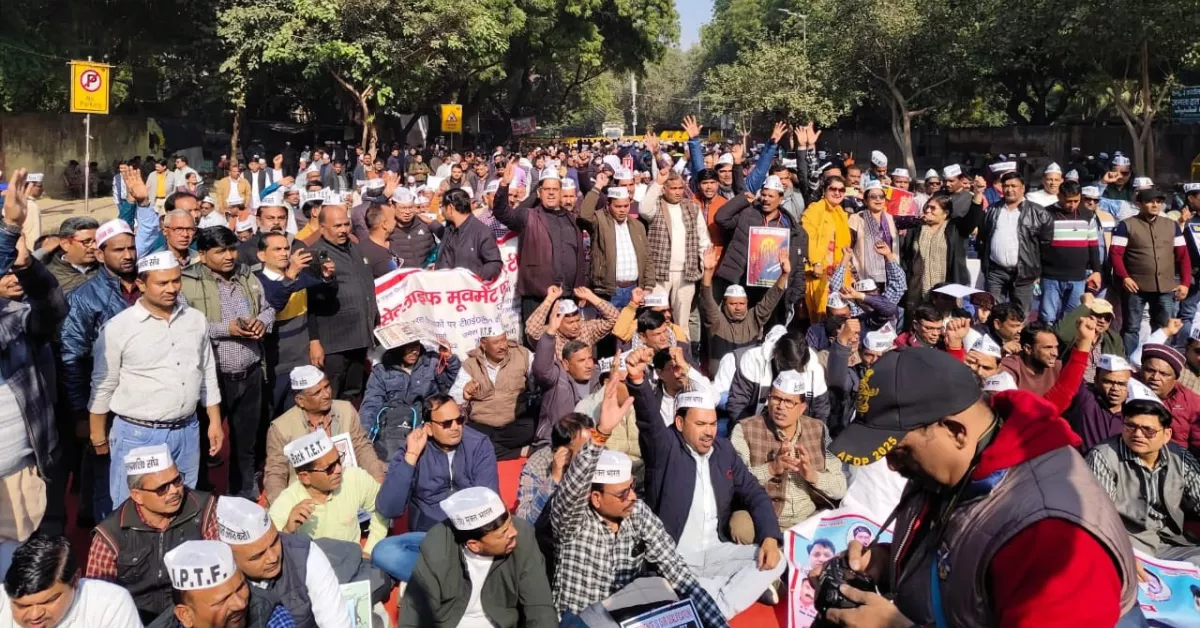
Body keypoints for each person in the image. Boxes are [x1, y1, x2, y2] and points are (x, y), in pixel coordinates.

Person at [815, 347, 1140, 627]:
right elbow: (960, 551)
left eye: (900, 450)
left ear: (956, 431)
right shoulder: (959, 464)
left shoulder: (1052, 536)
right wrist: (888, 564)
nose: (892, 466)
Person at [548, 379, 729, 626]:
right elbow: (573, 486)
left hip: (623, 616)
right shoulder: (573, 519)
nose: (632, 497)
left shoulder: (637, 512)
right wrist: (600, 434)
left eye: (631, 488)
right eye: (622, 493)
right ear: (596, 498)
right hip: (579, 620)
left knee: (666, 587)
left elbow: (676, 569)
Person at [626, 350, 786, 617]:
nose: (709, 431)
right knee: (671, 588)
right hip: (675, 562)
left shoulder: (724, 451)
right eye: (700, 424)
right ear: (679, 422)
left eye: (713, 423)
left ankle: (715, 606)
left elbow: (755, 494)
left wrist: (770, 537)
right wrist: (638, 381)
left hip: (716, 555)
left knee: (777, 560)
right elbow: (649, 421)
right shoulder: (664, 447)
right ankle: (721, 595)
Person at [88, 251, 223, 507]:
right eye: (162, 283)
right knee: (133, 510)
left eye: (176, 281)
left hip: (188, 431)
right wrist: (98, 437)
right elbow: (102, 386)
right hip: (138, 436)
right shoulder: (119, 327)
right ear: (140, 284)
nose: (171, 289)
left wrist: (214, 421)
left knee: (183, 506)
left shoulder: (195, 320)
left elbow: (206, 372)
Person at [182, 226, 275, 497]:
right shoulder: (187, 283)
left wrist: (262, 323)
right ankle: (198, 496)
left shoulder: (247, 276)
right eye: (220, 251)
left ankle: (243, 492)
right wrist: (227, 329)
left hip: (250, 372)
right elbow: (185, 327)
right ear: (202, 254)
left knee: (246, 441)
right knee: (201, 444)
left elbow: (267, 308)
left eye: (232, 249)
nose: (229, 256)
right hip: (211, 380)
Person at [373, 395, 498, 583]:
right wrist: (412, 456)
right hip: (429, 536)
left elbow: (488, 501)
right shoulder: (413, 447)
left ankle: (437, 581)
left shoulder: (479, 444)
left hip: (471, 535)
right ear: (429, 428)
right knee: (383, 552)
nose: (456, 427)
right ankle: (456, 581)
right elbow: (389, 508)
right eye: (447, 423)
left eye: (460, 420)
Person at [87, 445, 218, 624]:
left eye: (177, 480)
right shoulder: (110, 535)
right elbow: (100, 599)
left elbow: (219, 571)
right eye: (162, 488)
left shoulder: (204, 508)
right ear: (137, 496)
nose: (174, 491)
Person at [401, 487, 557, 628]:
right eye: (503, 533)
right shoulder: (439, 544)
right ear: (474, 544)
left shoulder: (524, 536)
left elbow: (540, 607)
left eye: (510, 522)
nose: (513, 532)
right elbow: (415, 615)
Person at [730, 371, 846, 535]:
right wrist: (771, 468)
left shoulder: (819, 430)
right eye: (776, 398)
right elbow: (735, 483)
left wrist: (812, 475)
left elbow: (840, 487)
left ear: (802, 408)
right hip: (762, 514)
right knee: (740, 527)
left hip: (808, 515)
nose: (780, 406)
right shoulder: (745, 429)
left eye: (789, 402)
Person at [1087, 399, 1200, 566]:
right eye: (1130, 426)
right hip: (1125, 544)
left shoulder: (1180, 457)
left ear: (1166, 435)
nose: (1138, 434)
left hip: (1170, 543)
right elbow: (1099, 517)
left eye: (1148, 430)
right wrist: (1120, 553)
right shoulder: (1102, 456)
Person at [216, 496, 352, 628]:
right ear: (232, 559)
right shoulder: (218, 587)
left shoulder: (304, 555)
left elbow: (336, 622)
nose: (273, 558)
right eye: (258, 555)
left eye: (275, 541)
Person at [264, 366, 386, 504]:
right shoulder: (281, 428)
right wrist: (283, 508)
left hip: (346, 488)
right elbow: (276, 472)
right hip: (306, 498)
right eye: (317, 393)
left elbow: (362, 447)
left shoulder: (346, 410)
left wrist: (378, 478)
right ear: (300, 401)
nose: (326, 394)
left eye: (327, 387)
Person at [492, 163, 587, 323]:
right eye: (546, 190)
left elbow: (579, 257)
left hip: (567, 296)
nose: (551, 193)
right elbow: (502, 213)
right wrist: (503, 186)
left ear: (561, 192)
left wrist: (580, 288)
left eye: (555, 189)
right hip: (537, 297)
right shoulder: (528, 216)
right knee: (536, 343)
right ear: (538, 193)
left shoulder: (572, 219)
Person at [300, 205, 377, 399]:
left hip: (359, 337)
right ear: (323, 228)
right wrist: (314, 340)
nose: (343, 230)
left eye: (346, 224)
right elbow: (309, 303)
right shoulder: (315, 255)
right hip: (334, 342)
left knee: (353, 392)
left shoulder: (354, 248)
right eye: (337, 226)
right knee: (330, 394)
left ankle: (348, 428)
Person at [268, 430, 387, 555]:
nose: (339, 470)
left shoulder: (353, 478)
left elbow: (383, 508)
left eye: (339, 460)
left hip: (353, 565)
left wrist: (369, 551)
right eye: (329, 468)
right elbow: (269, 550)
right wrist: (287, 532)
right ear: (305, 477)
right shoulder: (287, 503)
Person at [255, 233, 331, 415]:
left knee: (301, 413)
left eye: (286, 248)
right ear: (262, 255)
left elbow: (315, 304)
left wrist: (327, 277)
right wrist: (289, 276)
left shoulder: (300, 276)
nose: (283, 253)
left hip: (301, 359)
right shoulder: (256, 281)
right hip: (275, 363)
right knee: (274, 415)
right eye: (277, 249)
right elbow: (273, 305)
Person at [1112, 187, 1192, 354]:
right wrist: (1124, 277)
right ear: (1139, 204)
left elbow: (1183, 255)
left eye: (1158, 202)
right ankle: (1130, 363)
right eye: (1150, 201)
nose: (1155, 205)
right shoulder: (1126, 225)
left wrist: (1185, 283)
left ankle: (1159, 359)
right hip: (1135, 287)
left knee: (1164, 327)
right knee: (1131, 327)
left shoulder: (1171, 225)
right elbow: (1115, 254)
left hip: (1165, 287)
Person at [1, 534, 141, 628]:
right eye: (22, 606)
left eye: (48, 601)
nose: (35, 615)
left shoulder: (110, 605)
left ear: (75, 581)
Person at [150, 540, 296, 628]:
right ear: (186, 615)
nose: (240, 604)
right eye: (222, 600)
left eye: (241, 588)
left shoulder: (269, 614)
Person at [636, 168, 711, 331]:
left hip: (686, 273)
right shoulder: (656, 205)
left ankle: (683, 354)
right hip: (659, 274)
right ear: (665, 189)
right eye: (673, 188)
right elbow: (643, 209)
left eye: (680, 188)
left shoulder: (692, 207)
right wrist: (658, 183)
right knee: (656, 320)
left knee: (682, 323)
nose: (678, 192)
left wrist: (706, 266)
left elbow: (703, 239)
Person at [449, 323, 537, 460]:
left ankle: (488, 450)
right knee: (467, 436)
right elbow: (454, 398)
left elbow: (541, 374)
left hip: (514, 424)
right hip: (483, 426)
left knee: (532, 427)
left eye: (504, 340)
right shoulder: (470, 364)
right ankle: (518, 452)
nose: (503, 346)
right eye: (496, 342)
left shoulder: (522, 354)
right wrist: (464, 395)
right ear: (483, 345)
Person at [699, 246, 788, 375]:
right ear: (724, 304)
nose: (738, 307)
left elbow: (770, 300)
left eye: (741, 303)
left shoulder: (753, 319)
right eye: (733, 304)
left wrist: (784, 275)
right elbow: (706, 298)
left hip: (746, 381)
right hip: (720, 382)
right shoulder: (716, 322)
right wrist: (707, 272)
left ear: (747, 303)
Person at [977, 171, 1053, 313]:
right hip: (996, 272)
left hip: (1024, 274)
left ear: (1023, 188)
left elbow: (1046, 245)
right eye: (1006, 186)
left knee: (1020, 315)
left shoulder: (1039, 213)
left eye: (1014, 186)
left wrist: (1037, 271)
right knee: (992, 312)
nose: (1009, 189)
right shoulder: (992, 210)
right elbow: (982, 238)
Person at [899, 187, 986, 309]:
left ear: (945, 213)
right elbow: (906, 256)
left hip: (947, 289)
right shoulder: (916, 228)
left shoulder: (955, 228)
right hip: (917, 290)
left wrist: (978, 194)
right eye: (926, 207)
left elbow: (972, 218)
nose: (928, 210)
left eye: (933, 208)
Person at [577, 176, 650, 309]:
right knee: (608, 328)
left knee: (630, 328)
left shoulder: (637, 226)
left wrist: (648, 286)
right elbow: (584, 214)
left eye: (626, 206)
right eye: (618, 206)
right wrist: (598, 186)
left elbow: (647, 256)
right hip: (609, 290)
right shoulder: (599, 220)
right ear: (608, 205)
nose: (622, 210)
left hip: (634, 289)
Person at [1038, 180, 1103, 322]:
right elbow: (1038, 245)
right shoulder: (1046, 213)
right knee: (1047, 316)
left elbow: (1093, 245)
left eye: (1076, 201)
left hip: (1078, 276)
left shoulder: (1087, 215)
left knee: (1072, 317)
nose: (1072, 205)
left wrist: (1096, 271)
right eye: (1068, 201)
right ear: (1059, 196)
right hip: (1051, 276)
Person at [532, 310, 598, 444]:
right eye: (581, 360)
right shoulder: (556, 377)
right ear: (566, 364)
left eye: (590, 359)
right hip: (554, 443)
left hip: (588, 442)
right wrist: (550, 334)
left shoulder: (597, 377)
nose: (589, 365)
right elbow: (541, 369)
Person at [515, 412, 593, 525]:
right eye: (584, 450)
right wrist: (554, 478)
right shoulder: (538, 465)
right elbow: (525, 521)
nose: (591, 453)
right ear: (563, 452)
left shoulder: (600, 456)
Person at [1138, 344, 1200, 457]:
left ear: (1175, 378)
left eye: (1163, 374)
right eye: (1150, 370)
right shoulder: (1125, 388)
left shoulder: (1192, 402)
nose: (1155, 377)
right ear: (1141, 370)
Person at [526, 286, 619, 358]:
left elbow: (614, 317)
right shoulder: (551, 335)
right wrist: (549, 299)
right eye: (570, 322)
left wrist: (590, 296)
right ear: (558, 322)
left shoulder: (585, 329)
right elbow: (531, 330)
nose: (576, 326)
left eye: (577, 320)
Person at [434, 188, 503, 280]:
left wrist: (471, 279)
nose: (441, 210)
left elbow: (495, 264)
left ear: (450, 208)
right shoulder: (449, 228)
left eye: (441, 206)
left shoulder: (482, 232)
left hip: (467, 291)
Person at [998, 321, 1062, 395]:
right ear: (1028, 349)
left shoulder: (1058, 367)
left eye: (1056, 347)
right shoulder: (1010, 367)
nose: (1055, 353)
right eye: (1048, 348)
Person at [45, 216, 99, 294]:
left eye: (96, 241)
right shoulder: (49, 277)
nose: (95, 246)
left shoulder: (108, 267)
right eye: (87, 241)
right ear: (65, 244)